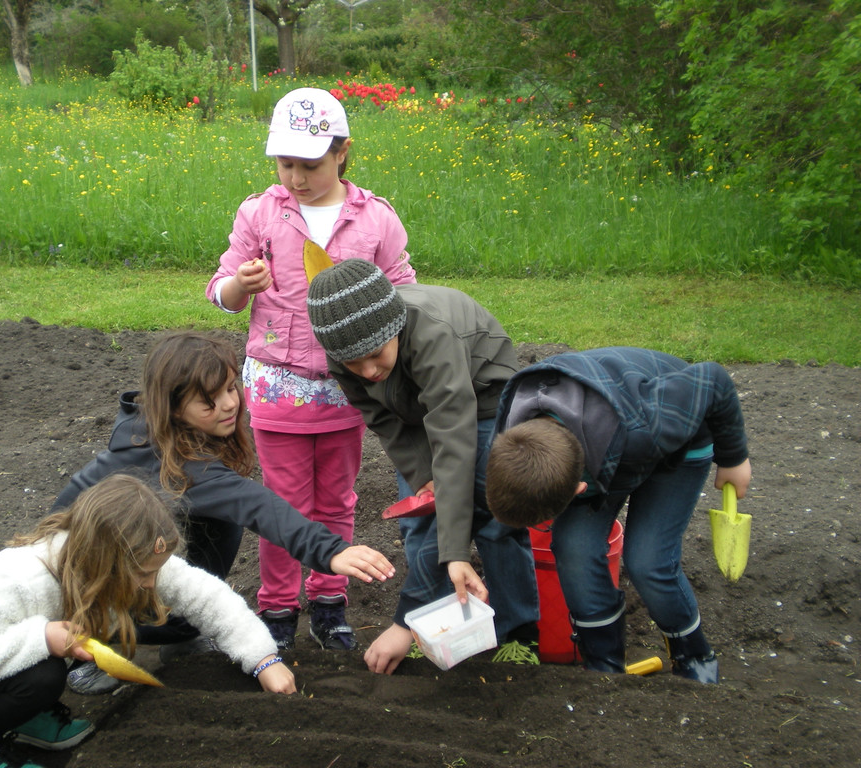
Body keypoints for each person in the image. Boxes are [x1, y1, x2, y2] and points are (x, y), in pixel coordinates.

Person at [54, 331, 396, 692]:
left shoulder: (154, 431)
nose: (230, 404)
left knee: (217, 519)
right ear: (173, 406)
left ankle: (180, 632)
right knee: (225, 515)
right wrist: (332, 551)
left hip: (113, 573)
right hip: (74, 591)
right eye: (209, 401)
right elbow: (258, 505)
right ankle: (93, 649)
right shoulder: (171, 463)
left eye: (231, 388)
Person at [206, 86, 416, 652]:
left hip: (349, 392)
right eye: (285, 164)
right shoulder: (259, 213)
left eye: (311, 165)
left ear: (342, 152)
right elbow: (220, 291)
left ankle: (328, 602)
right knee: (284, 505)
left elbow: (403, 292)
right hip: (277, 389)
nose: (296, 178)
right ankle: (278, 606)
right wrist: (239, 285)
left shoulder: (375, 219)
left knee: (337, 502)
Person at [0, 474, 296, 768]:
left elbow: (208, 598)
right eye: (144, 574)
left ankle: (25, 718)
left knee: (51, 665)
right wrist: (40, 638)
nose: (152, 584)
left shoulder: (134, 559)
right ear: (105, 558)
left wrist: (263, 659)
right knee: (45, 675)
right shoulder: (24, 580)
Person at [305, 259, 540, 675]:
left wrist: (455, 552)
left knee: (492, 514)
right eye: (355, 364)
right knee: (419, 517)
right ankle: (431, 626)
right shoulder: (344, 355)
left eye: (375, 355)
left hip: (482, 399)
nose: (368, 371)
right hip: (412, 409)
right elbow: (382, 419)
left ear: (395, 328)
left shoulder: (433, 334)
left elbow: (454, 440)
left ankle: (518, 633)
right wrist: (422, 477)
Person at [485, 346, 752, 683]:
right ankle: (603, 664)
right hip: (598, 446)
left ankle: (694, 656)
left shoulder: (650, 423)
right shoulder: (508, 438)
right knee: (574, 548)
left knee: (648, 561)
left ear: (579, 489)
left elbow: (713, 379)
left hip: (675, 438)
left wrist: (733, 458)